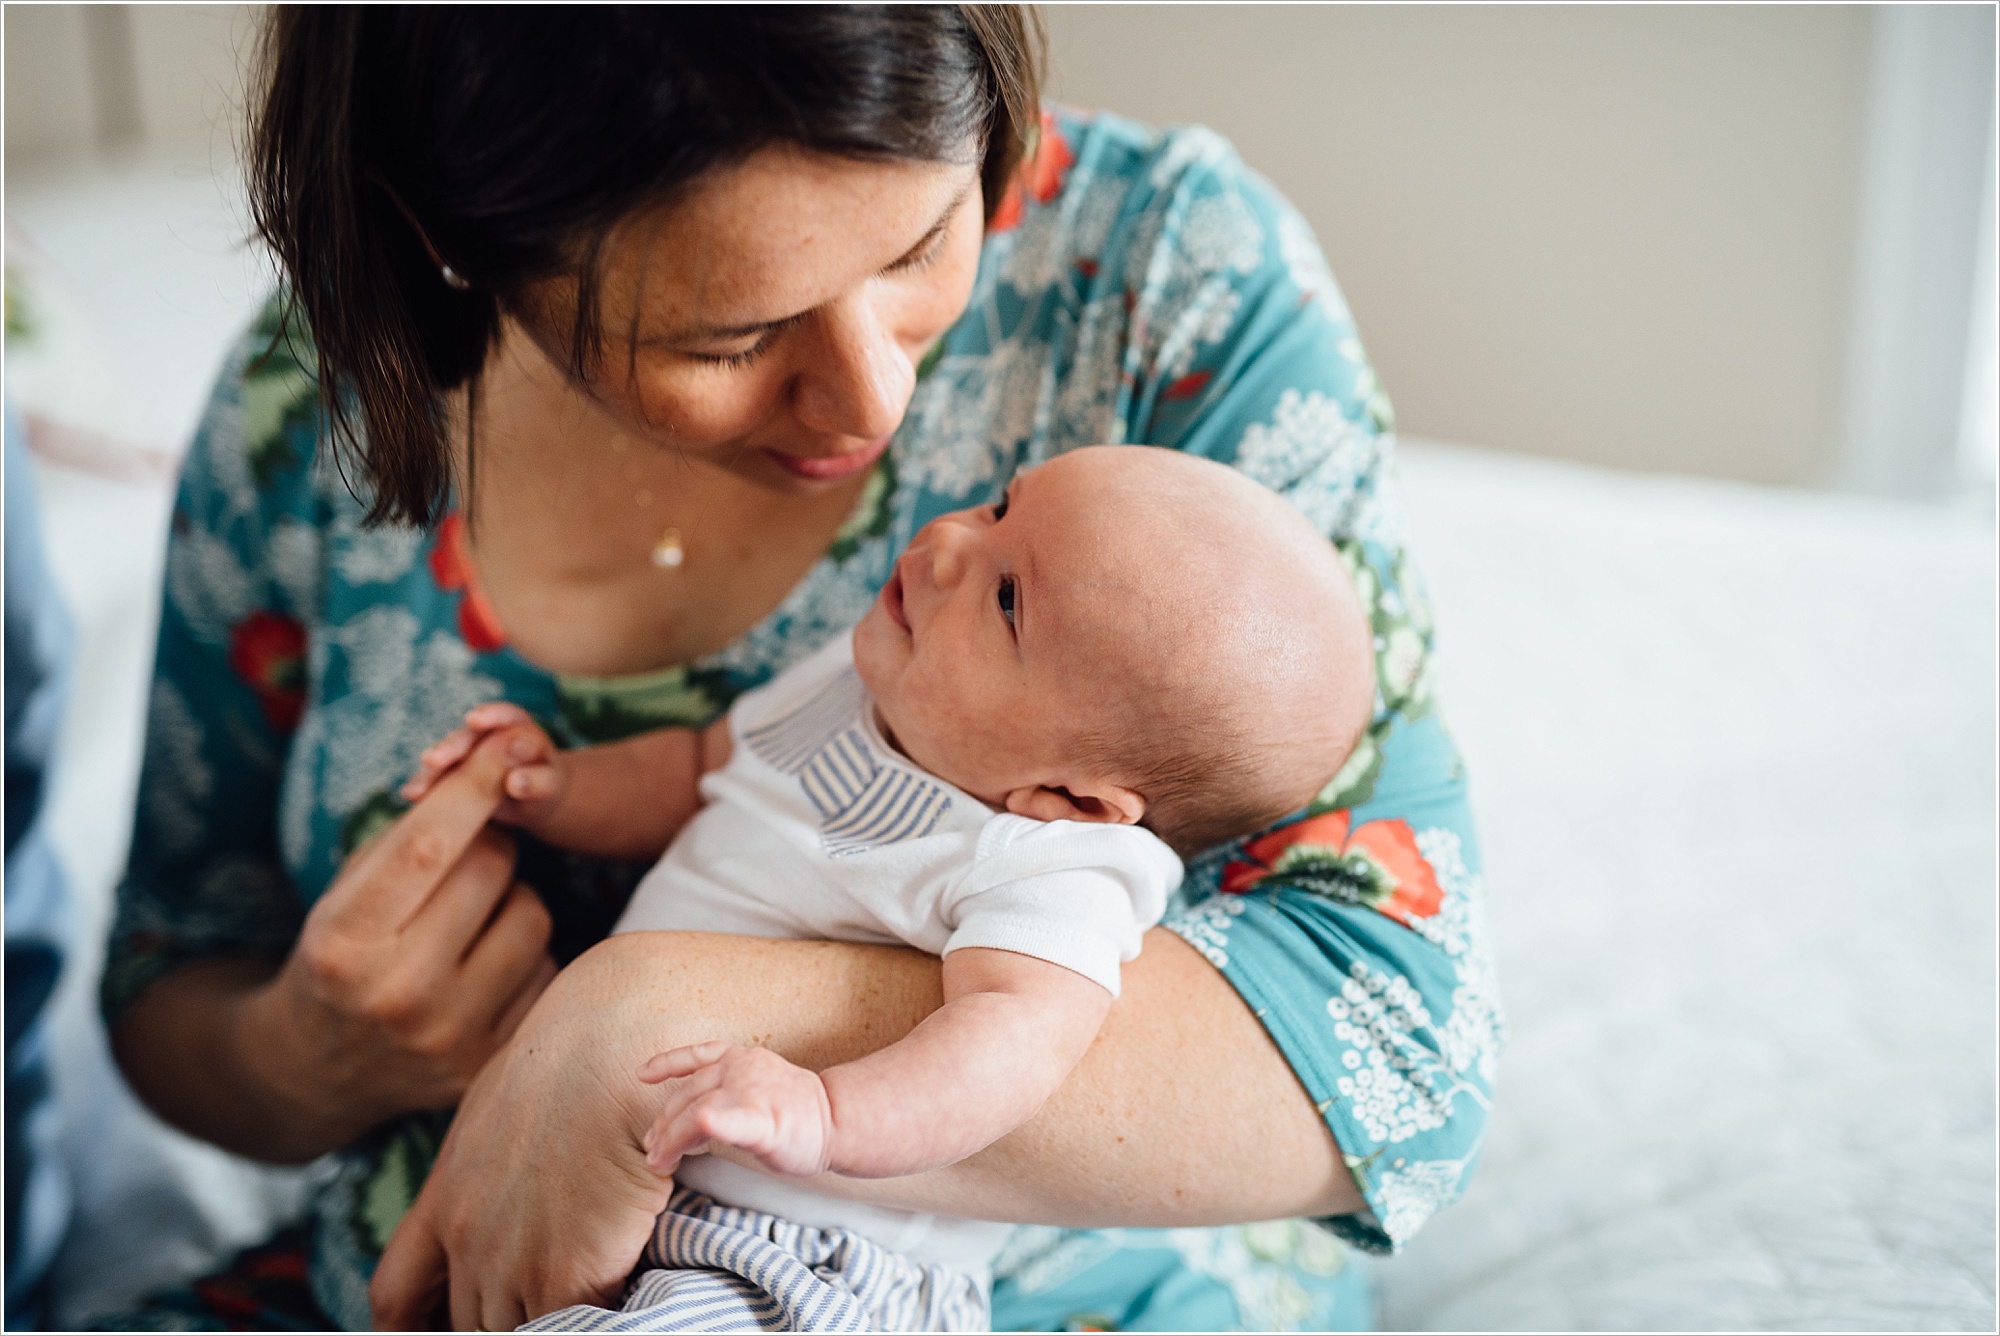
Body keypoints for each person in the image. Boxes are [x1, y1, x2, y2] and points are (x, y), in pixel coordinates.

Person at [100, 8, 1501, 1331]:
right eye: (730, 336)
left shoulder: (1163, 277)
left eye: (924, 242)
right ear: (449, 236)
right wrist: (304, 1055)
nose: (874, 402)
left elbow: (1396, 1041)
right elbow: (170, 962)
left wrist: (635, 1021)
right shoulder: (312, 408)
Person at [393, 446, 1375, 1330]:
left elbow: (1008, 1047)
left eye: (1006, 602)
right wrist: (556, 788)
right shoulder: (861, 683)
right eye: (999, 508)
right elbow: (698, 766)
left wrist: (825, 1114)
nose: (948, 544)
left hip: (813, 1262)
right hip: (631, 1190)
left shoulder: (1055, 864)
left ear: (1069, 794)